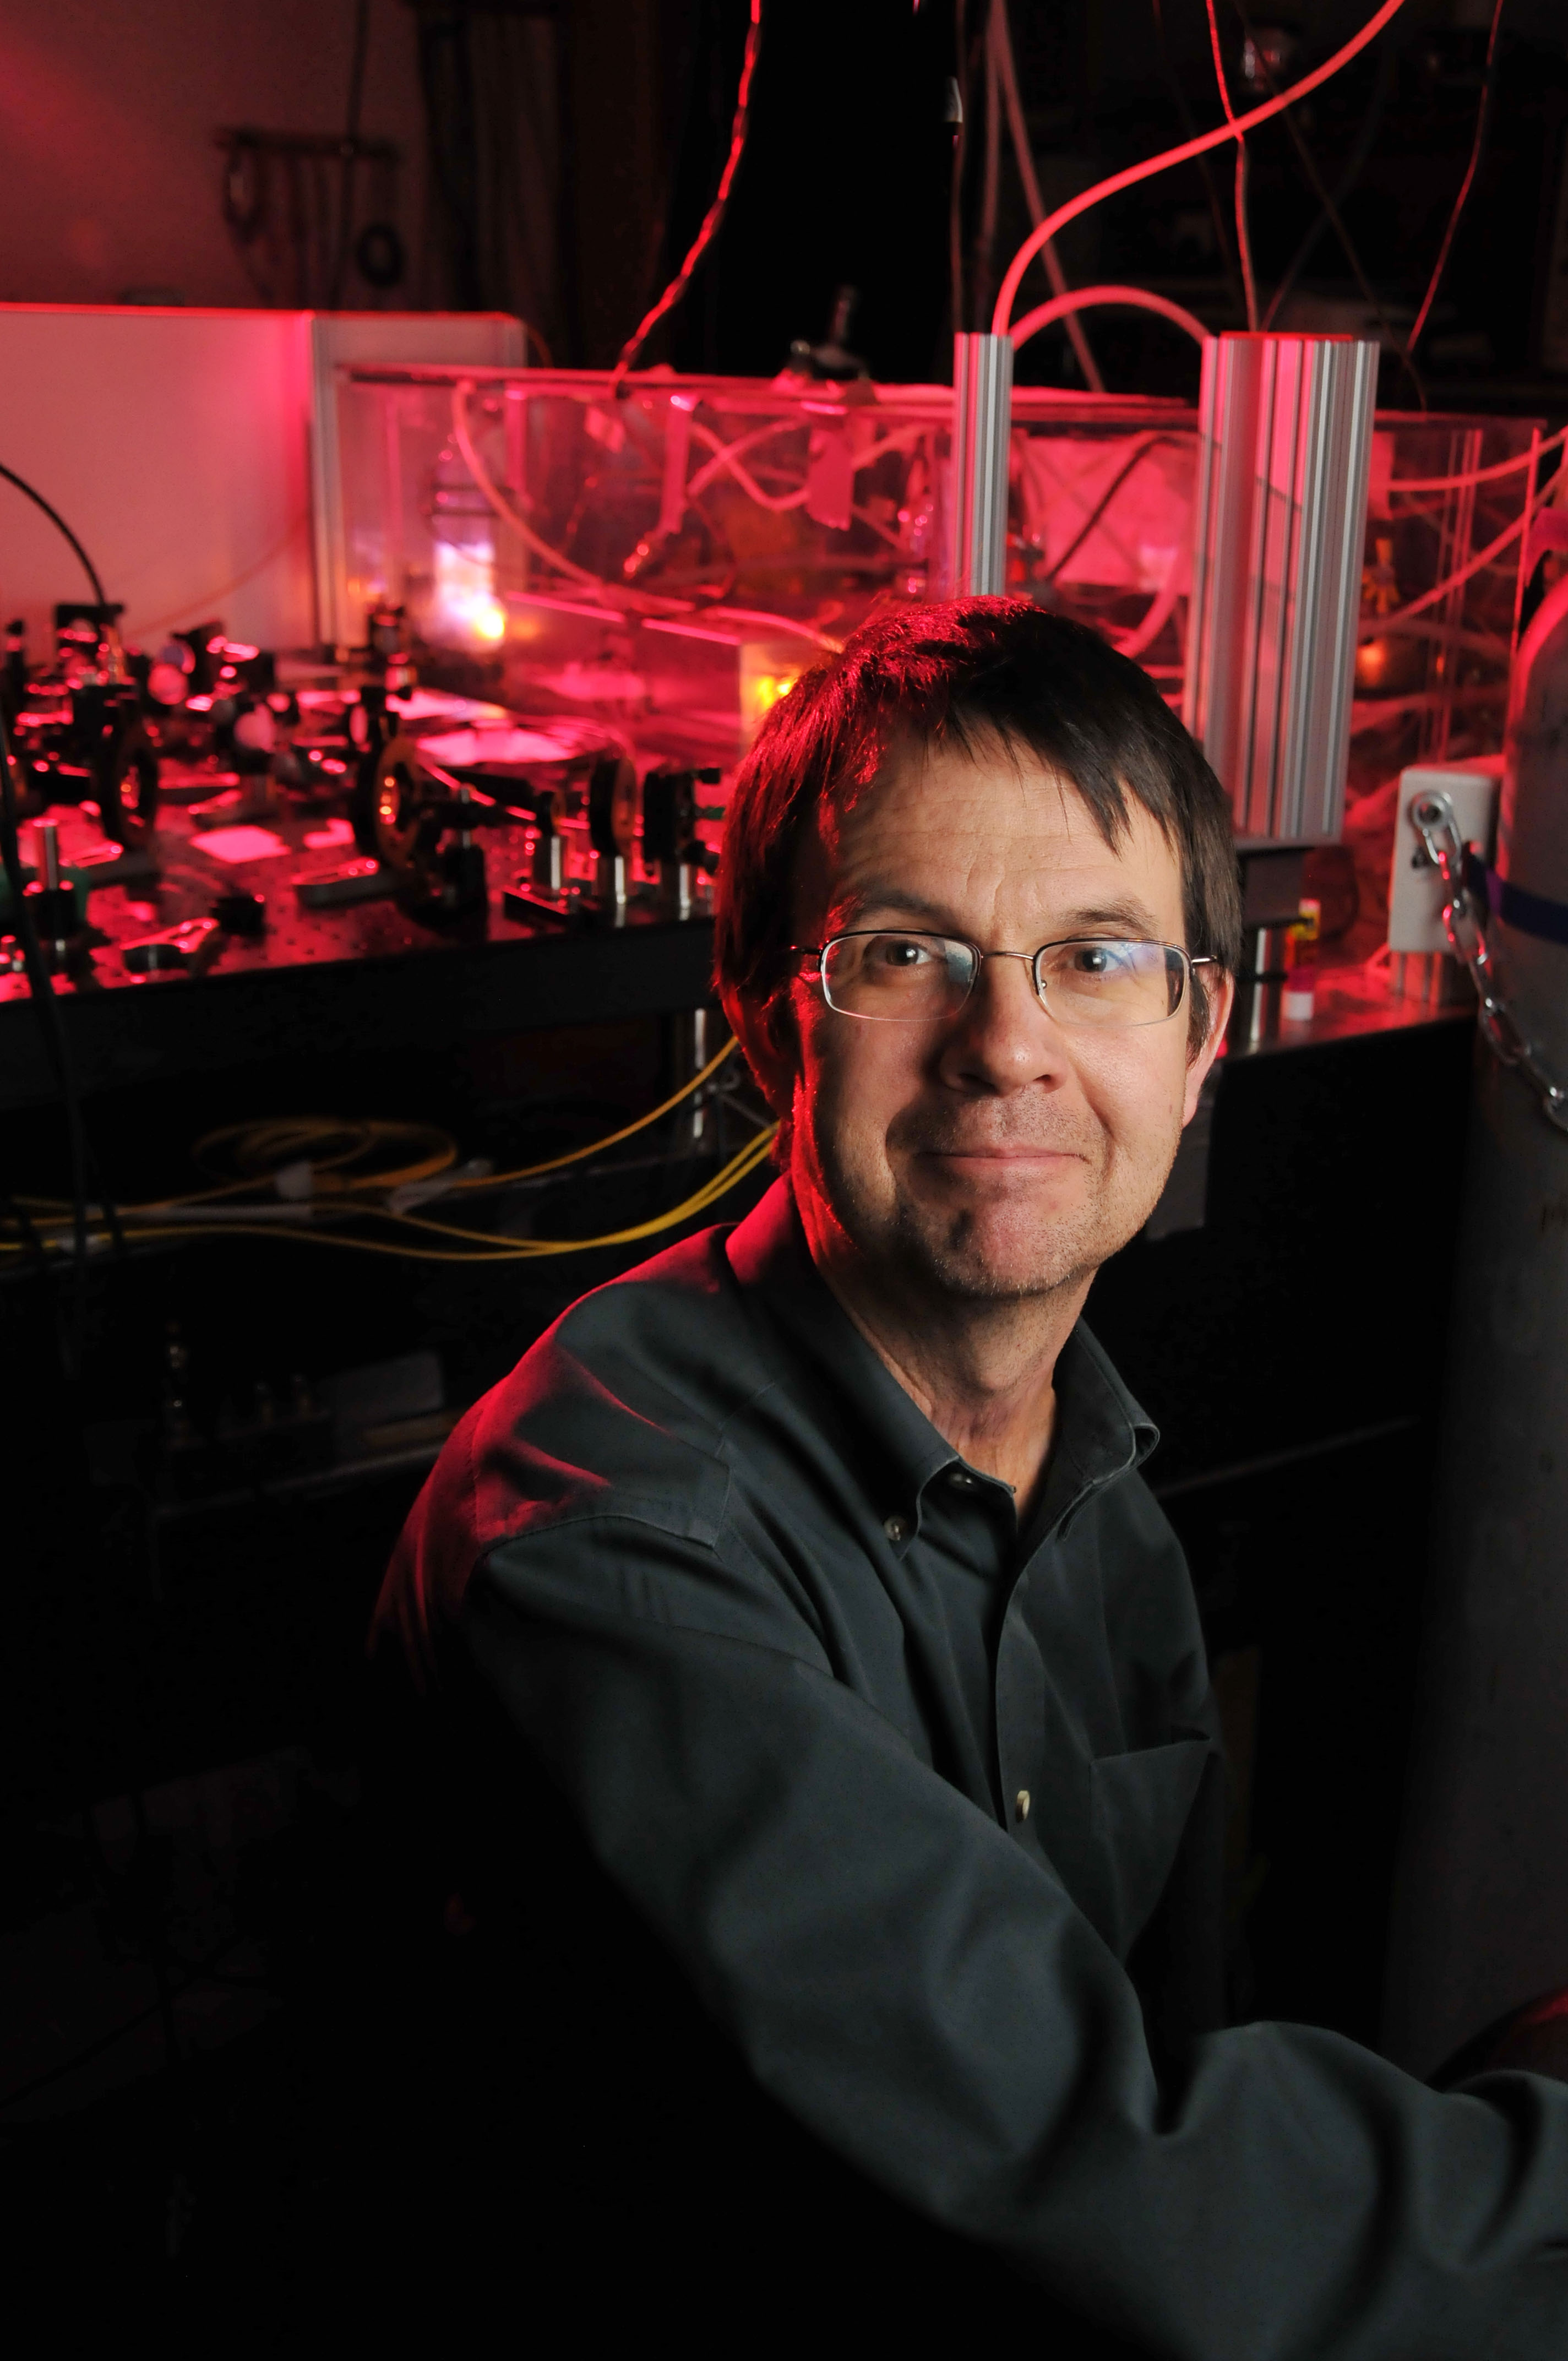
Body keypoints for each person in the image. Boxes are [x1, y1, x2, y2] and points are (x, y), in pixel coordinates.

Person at [374, 599, 1568, 2353]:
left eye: (1094, 958)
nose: (1005, 1045)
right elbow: (1122, 2175)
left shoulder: (1108, 1513)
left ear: (1198, 1035)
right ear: (773, 1026)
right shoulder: (602, 1537)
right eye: (909, 954)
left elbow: (1182, 2094)